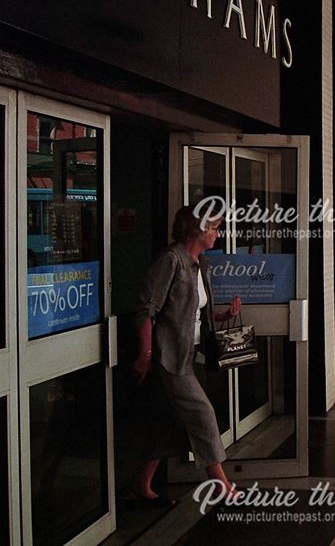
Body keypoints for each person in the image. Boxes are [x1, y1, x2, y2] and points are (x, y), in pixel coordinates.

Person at [130, 206, 241, 505]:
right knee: (202, 414)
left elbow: (192, 312)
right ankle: (221, 486)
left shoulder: (199, 263)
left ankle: (141, 484)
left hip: (188, 354)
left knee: (168, 422)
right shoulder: (171, 260)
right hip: (168, 357)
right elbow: (146, 310)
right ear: (199, 230)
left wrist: (221, 317)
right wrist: (146, 353)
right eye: (215, 228)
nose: (218, 233)